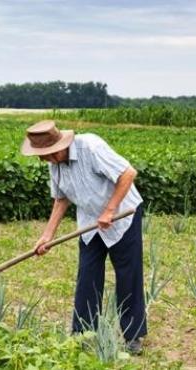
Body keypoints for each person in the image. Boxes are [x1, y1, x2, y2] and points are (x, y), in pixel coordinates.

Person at [21, 120, 146, 354]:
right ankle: (82, 334)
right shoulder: (54, 163)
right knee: (87, 276)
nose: (43, 159)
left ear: (59, 145)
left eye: (46, 154)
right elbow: (61, 199)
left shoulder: (91, 147)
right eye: (40, 155)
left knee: (128, 275)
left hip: (122, 216)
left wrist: (110, 210)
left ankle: (133, 336)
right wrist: (46, 236)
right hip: (90, 222)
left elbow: (128, 174)